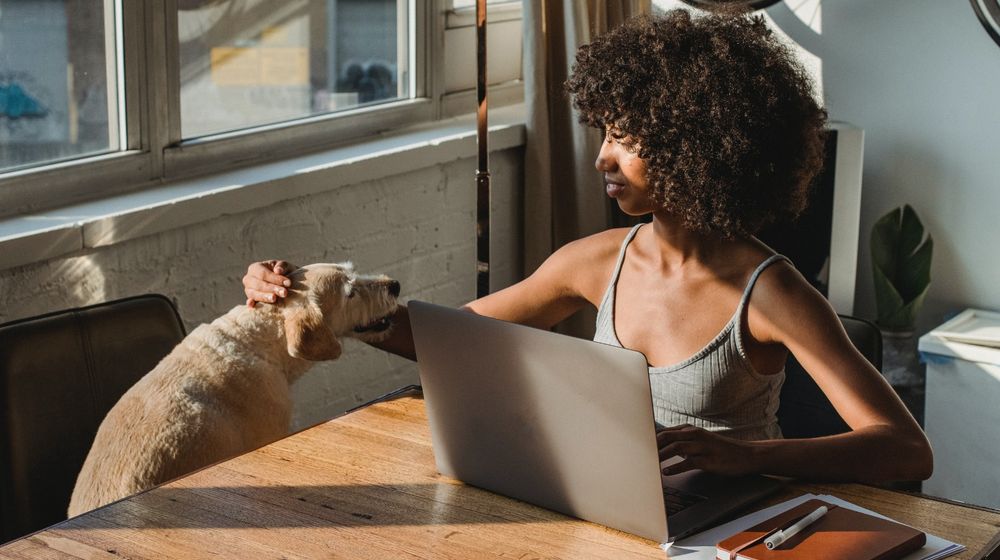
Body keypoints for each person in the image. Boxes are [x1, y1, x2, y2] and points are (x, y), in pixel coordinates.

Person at [242, 10, 932, 483]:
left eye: (624, 140)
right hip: (618, 505)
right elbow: (448, 336)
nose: (601, 157)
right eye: (602, 133)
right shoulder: (598, 260)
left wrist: (748, 457)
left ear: (695, 146)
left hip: (737, 523)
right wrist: (318, 296)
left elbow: (905, 450)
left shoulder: (771, 291)